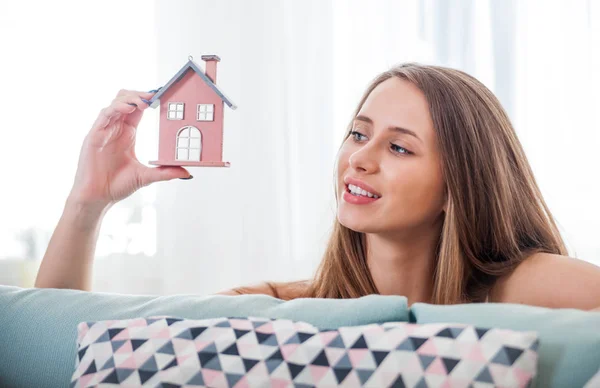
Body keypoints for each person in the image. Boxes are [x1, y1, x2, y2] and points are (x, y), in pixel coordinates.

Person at [34, 63, 600, 310]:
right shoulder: (280, 307)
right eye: (358, 133)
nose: (360, 159)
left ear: (459, 186)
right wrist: (86, 205)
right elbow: (70, 349)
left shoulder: (522, 288)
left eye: (398, 147)